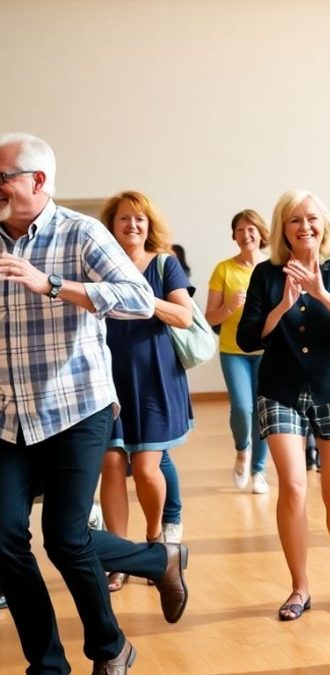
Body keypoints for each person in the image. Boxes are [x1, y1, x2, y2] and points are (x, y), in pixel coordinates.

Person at [0, 132, 156, 674]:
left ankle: (110, 647)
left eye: (0, 177)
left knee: (65, 539)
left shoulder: (80, 232)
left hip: (75, 407)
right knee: (2, 539)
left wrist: (52, 285)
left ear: (36, 181)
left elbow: (138, 299)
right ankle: (47, 664)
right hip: (7, 416)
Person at [236, 190, 330, 620]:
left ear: (324, 224)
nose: (305, 227)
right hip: (281, 389)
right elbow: (247, 338)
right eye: (295, 220)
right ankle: (299, 586)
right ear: (283, 228)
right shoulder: (265, 274)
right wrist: (280, 306)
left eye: (312, 218)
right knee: (293, 487)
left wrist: (322, 294)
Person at [98, 190, 195, 592]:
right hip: (105, 379)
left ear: (149, 224)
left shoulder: (164, 264)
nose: (132, 225)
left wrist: (141, 297)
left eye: (139, 219)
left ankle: (155, 540)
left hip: (155, 378)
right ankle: (120, 558)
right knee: (112, 466)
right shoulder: (97, 264)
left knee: (148, 468)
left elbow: (183, 316)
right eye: (124, 218)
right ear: (112, 224)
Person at [206, 209, 272, 494]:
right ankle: (242, 449)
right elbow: (210, 318)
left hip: (267, 351)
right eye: (241, 230)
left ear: (261, 233)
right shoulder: (224, 269)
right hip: (233, 350)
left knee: (264, 411)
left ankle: (259, 470)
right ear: (234, 236)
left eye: (251, 229)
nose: (246, 235)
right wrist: (229, 307)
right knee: (243, 408)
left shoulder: (273, 267)